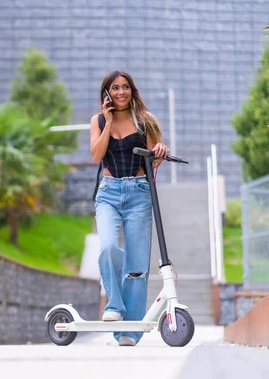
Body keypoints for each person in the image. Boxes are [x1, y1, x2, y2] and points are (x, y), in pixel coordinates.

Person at [89, 70, 168, 347]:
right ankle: (114, 304)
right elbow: (97, 155)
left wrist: (159, 151)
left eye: (125, 87)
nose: (121, 92)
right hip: (108, 193)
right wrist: (109, 122)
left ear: (132, 90)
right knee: (109, 247)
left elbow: (153, 160)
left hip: (138, 193)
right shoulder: (98, 121)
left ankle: (129, 332)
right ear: (107, 93)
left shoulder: (145, 121)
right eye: (115, 88)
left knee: (136, 266)